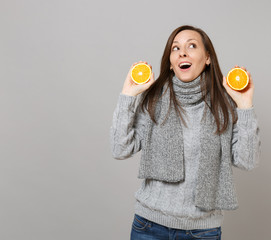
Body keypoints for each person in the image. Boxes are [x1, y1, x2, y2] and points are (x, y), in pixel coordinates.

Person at [110, 25, 261, 240]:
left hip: (202, 231)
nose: (183, 52)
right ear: (171, 63)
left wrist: (245, 106)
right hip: (149, 226)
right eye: (175, 48)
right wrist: (128, 95)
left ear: (207, 57)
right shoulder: (153, 100)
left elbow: (248, 161)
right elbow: (119, 148)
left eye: (192, 46)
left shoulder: (225, 105)